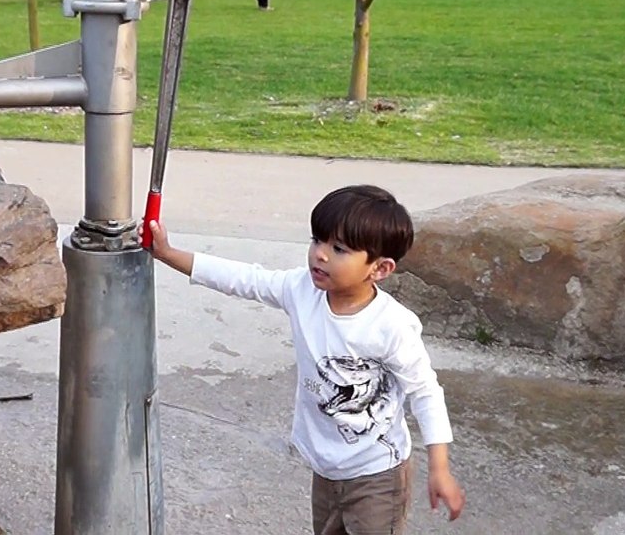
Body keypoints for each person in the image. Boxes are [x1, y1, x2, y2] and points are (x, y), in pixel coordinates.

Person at [148, 185, 466, 534]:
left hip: (377, 473)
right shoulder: (302, 290)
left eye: (339, 249)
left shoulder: (391, 326)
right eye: (317, 240)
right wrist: (167, 253)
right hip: (325, 467)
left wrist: (440, 468)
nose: (320, 255)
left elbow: (425, 392)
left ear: (379, 268)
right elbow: (245, 279)